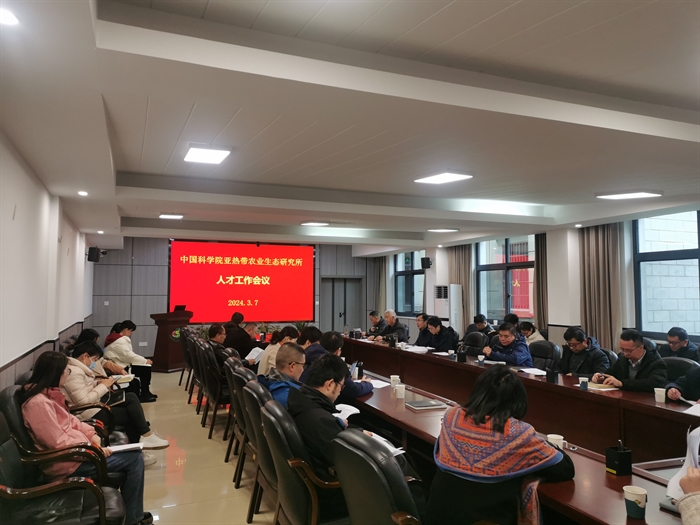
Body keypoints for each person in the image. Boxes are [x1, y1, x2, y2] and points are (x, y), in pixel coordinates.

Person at [425, 365, 575, 525]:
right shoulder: (518, 433)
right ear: (518, 400)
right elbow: (565, 468)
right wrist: (544, 443)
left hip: (435, 519)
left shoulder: (452, 416)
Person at [21, 352, 152, 525]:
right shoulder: (38, 404)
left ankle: (132, 513)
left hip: (79, 454)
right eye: (66, 371)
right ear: (55, 373)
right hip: (68, 463)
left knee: (133, 455)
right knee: (134, 459)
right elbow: (57, 443)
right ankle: (133, 519)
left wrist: (92, 435)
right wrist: (92, 449)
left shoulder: (49, 395)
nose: (67, 374)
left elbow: (72, 421)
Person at [64, 342, 169, 455]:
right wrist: (103, 386)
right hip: (88, 412)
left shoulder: (78, 369)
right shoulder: (74, 373)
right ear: (85, 356)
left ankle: (145, 437)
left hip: (94, 405)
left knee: (131, 397)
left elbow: (84, 388)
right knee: (131, 415)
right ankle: (138, 451)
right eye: (94, 359)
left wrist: (98, 383)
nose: (94, 363)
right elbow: (82, 401)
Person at [287, 354, 350, 520]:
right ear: (330, 384)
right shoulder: (320, 420)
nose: (340, 391)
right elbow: (345, 461)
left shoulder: (298, 399)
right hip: (329, 496)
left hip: (298, 492)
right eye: (341, 386)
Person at [299, 331, 373, 402]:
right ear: (338, 351)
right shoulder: (333, 364)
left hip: (303, 400)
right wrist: (366, 384)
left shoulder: (307, 355)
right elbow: (354, 390)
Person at [592, 329, 668, 392]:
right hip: (624, 397)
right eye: (622, 349)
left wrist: (622, 383)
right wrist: (602, 377)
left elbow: (656, 383)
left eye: (628, 350)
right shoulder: (622, 358)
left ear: (641, 348)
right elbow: (611, 374)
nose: (625, 354)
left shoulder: (656, 362)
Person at [104, 321, 156, 402]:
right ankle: (144, 394)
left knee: (146, 367)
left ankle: (146, 392)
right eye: (131, 331)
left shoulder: (115, 339)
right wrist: (145, 360)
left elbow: (127, 356)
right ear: (126, 330)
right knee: (145, 369)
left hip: (121, 363)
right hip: (120, 367)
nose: (132, 333)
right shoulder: (119, 341)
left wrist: (144, 361)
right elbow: (128, 356)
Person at [257, 342, 306, 407]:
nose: (303, 369)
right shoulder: (294, 396)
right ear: (292, 366)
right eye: (302, 365)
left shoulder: (265, 381)